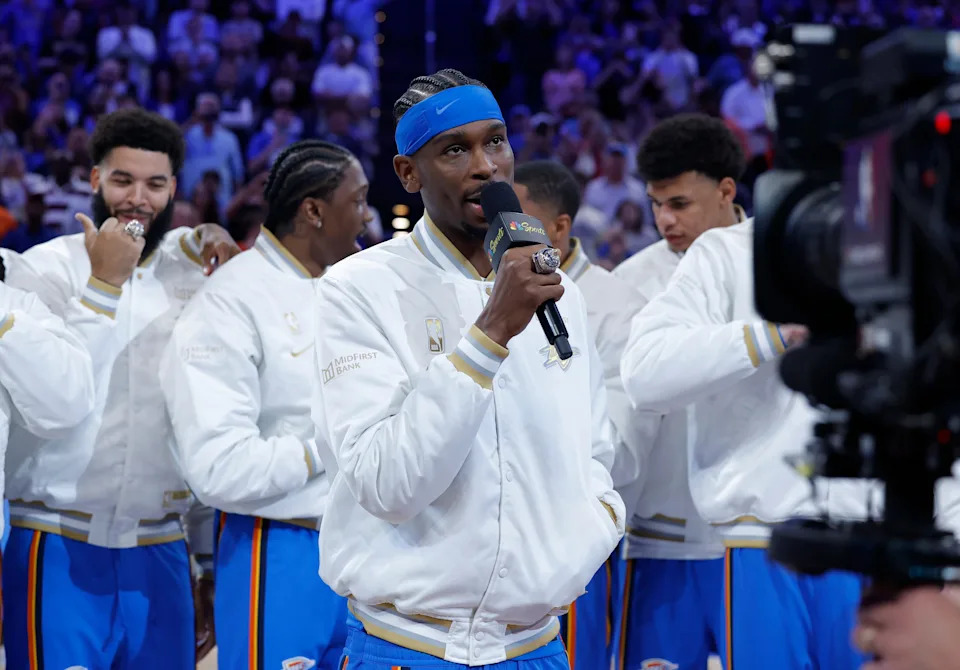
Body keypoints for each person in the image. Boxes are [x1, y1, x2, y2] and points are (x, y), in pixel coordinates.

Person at [312, 68, 624, 668]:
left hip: (537, 646)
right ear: (408, 173)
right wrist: (491, 333)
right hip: (406, 645)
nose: (486, 166)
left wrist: (590, 534)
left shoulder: (562, 291)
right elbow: (386, 484)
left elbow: (595, 451)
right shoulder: (357, 290)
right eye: (456, 149)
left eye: (496, 141)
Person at [619, 116, 869, 669]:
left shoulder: (891, 251)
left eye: (678, 203)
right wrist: (769, 334)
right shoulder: (725, 254)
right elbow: (643, 374)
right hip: (759, 533)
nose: (665, 220)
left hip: (867, 529)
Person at [3, 108, 240, 669]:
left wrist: (204, 558)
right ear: (93, 180)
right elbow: (55, 400)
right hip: (54, 537)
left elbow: (206, 417)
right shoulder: (45, 270)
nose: (138, 198)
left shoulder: (197, 277)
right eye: (122, 180)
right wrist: (104, 285)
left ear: (174, 188)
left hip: (160, 541)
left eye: (155, 184)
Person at [160, 139, 373, 669]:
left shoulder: (356, 291)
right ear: (314, 211)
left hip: (368, 552)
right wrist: (330, 443)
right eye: (360, 200)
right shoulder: (231, 299)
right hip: (274, 549)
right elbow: (218, 469)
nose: (367, 217)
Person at [610, 113, 745, 669]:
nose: (665, 220)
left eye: (680, 204)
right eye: (656, 205)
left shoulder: (779, 261)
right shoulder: (631, 282)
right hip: (661, 538)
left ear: (726, 191)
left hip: (755, 535)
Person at [514, 160, 650, 670]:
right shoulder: (480, 291)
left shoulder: (617, 305)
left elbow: (624, 450)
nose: (498, 227)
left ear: (559, 228)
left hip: (574, 542)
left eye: (516, 215)